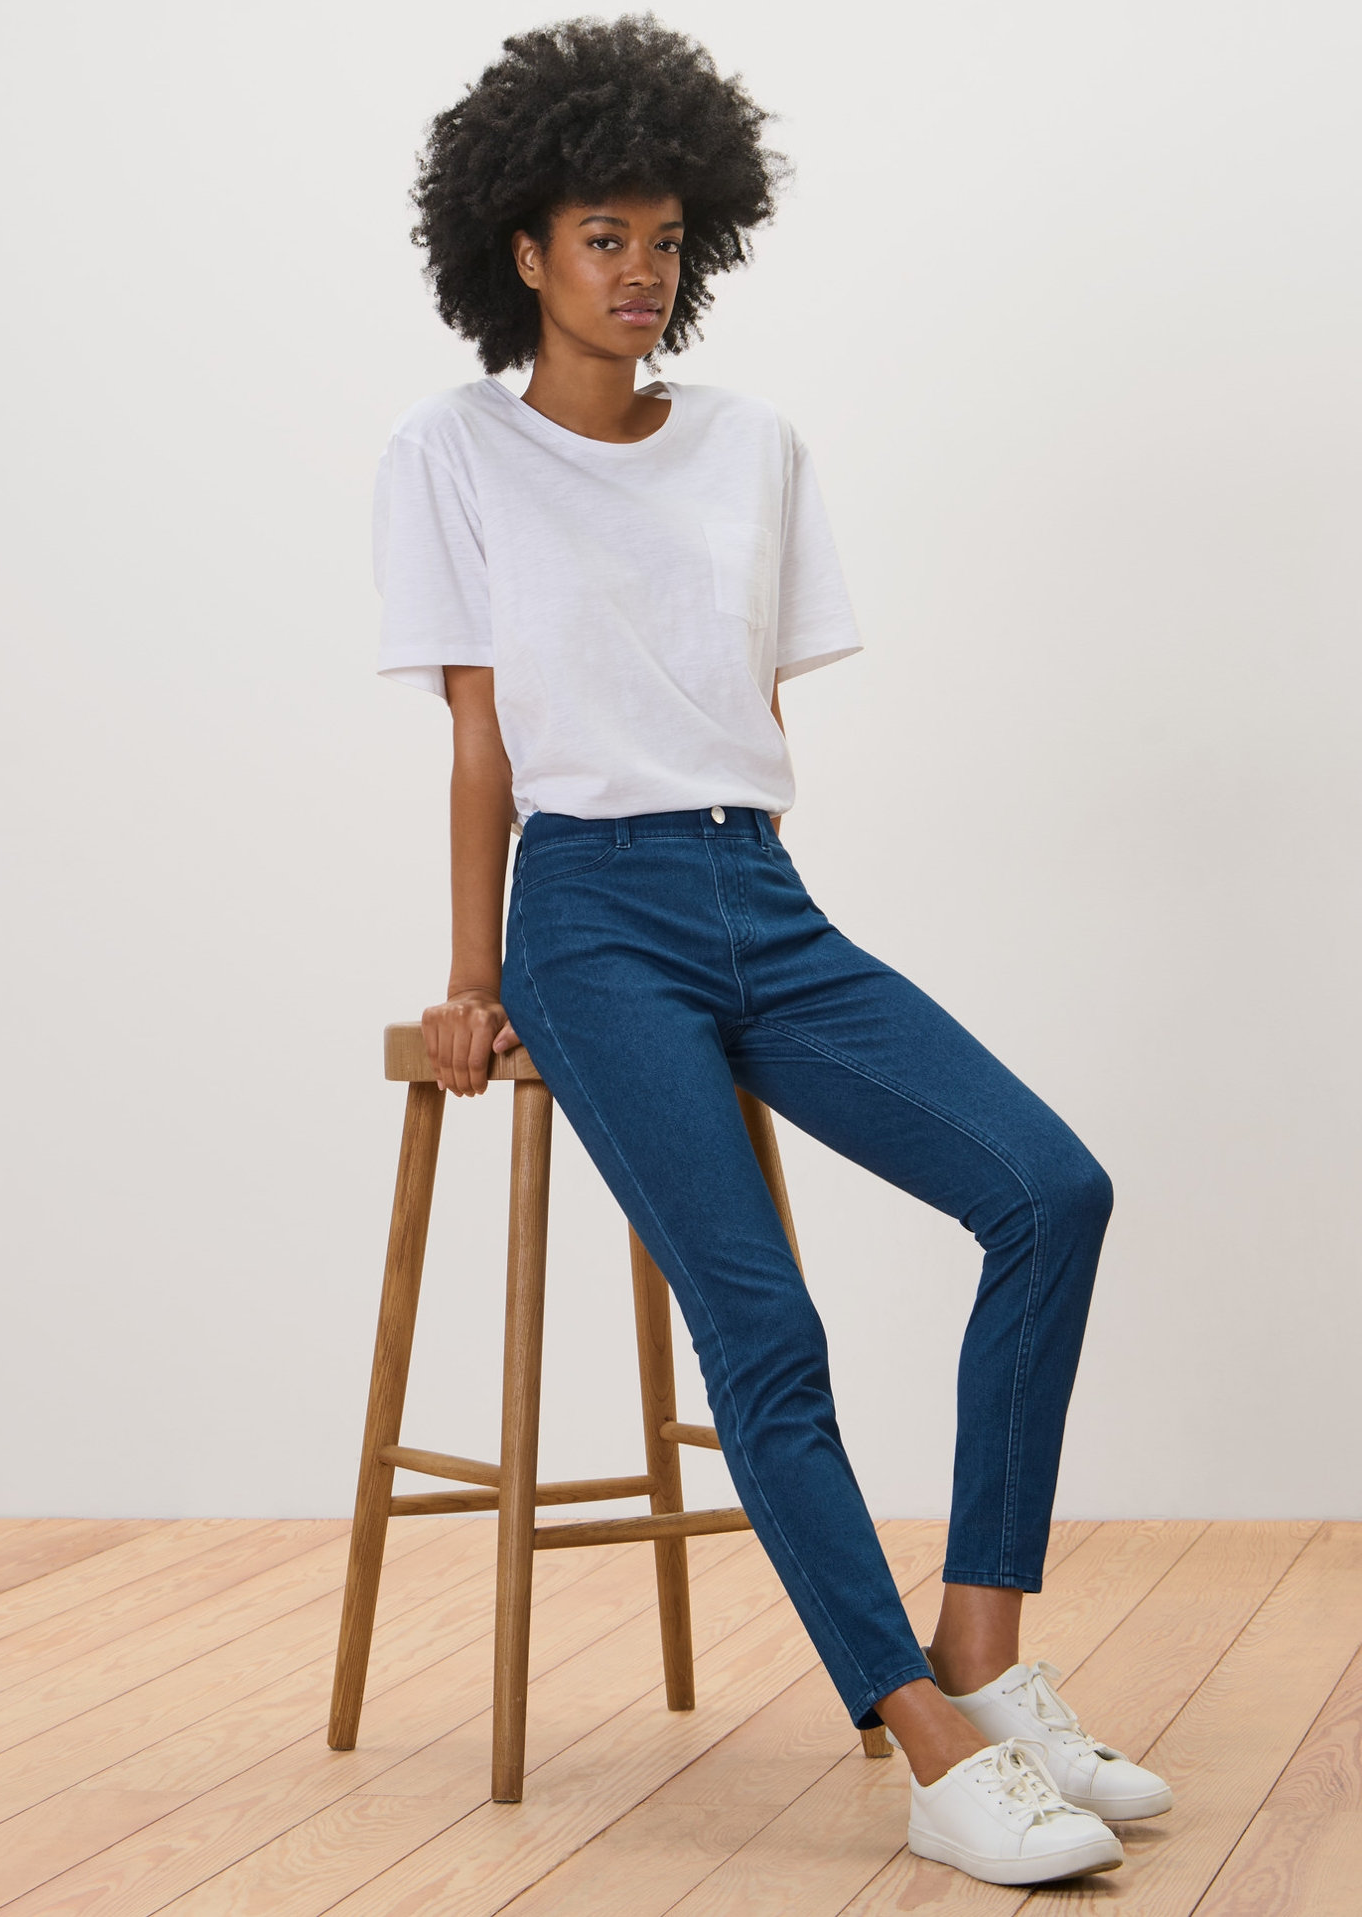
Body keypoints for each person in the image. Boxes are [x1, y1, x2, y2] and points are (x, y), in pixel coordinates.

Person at [371, 15, 1171, 1888]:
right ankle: (916, 1738)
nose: (637, 273)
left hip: (762, 896)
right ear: (517, 248)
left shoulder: (754, 446)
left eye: (660, 238)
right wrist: (476, 968)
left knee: (1049, 1189)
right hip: (586, 916)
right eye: (597, 237)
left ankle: (984, 1656)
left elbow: (738, 701)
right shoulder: (449, 453)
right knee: (767, 1322)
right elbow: (483, 736)